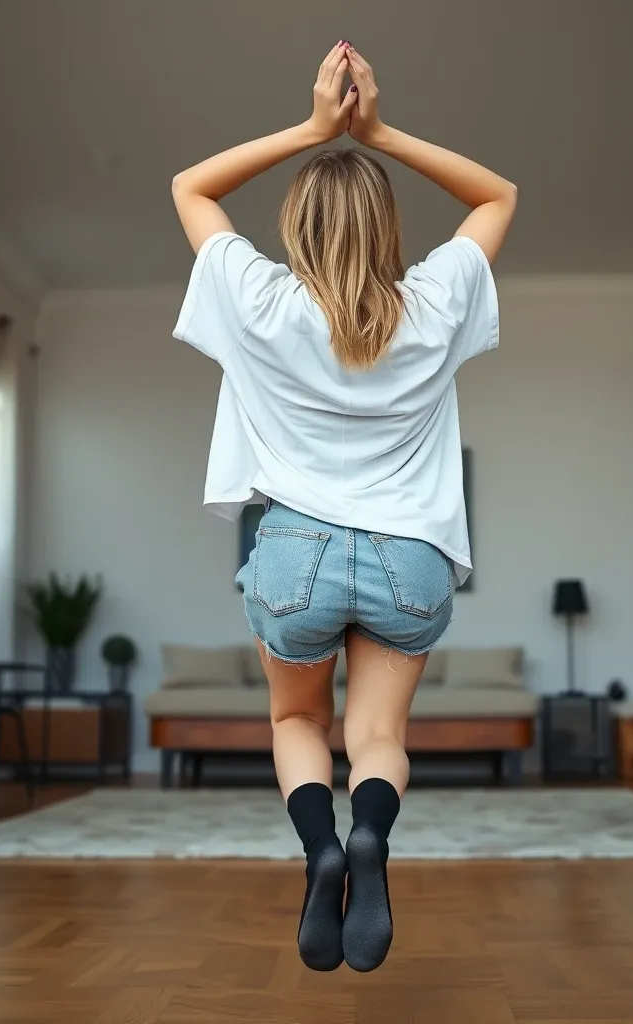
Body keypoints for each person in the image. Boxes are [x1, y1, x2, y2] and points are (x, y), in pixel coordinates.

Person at [170, 41, 517, 973]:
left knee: (296, 725)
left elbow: (191, 189)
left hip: (293, 557)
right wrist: (380, 131)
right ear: (385, 230)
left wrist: (316, 129)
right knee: (376, 737)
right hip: (411, 559)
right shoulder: (433, 303)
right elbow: (498, 197)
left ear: (297, 231)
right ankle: (371, 835)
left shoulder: (261, 299)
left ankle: (322, 846)